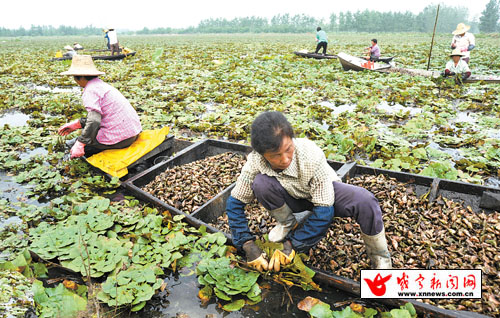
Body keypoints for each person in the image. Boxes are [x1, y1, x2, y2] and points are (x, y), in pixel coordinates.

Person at [226, 111, 391, 272]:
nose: (284, 159)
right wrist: (247, 244)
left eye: (288, 149)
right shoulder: (255, 161)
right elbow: (235, 203)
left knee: (365, 201)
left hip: (323, 195)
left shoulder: (310, 154)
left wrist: (292, 245)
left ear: (292, 139)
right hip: (291, 196)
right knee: (261, 183)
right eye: (275, 155)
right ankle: (287, 223)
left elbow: (325, 212)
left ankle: (380, 257)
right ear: (262, 154)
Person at [57, 55, 142, 159]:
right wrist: (77, 124)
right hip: (132, 132)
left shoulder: (90, 90)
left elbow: (94, 121)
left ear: (78, 77)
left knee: (75, 144)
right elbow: (102, 115)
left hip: (122, 139)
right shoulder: (101, 85)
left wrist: (80, 144)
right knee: (88, 133)